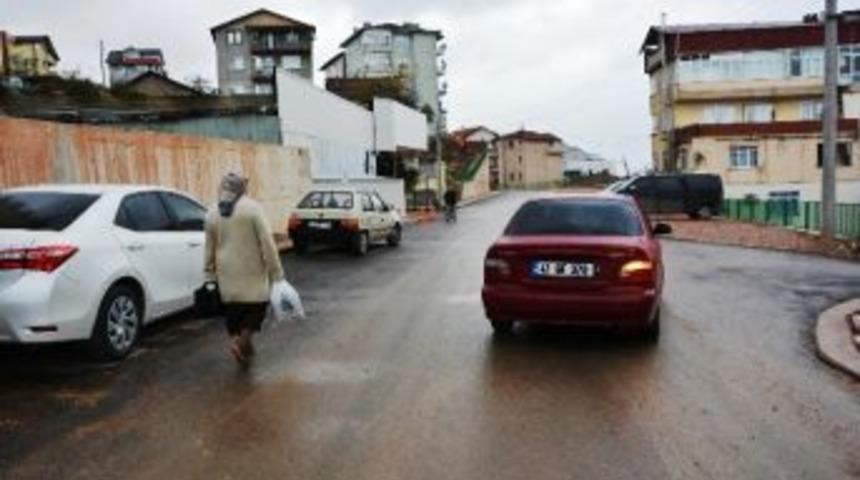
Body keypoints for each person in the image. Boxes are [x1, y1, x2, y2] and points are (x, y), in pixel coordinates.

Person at [204, 173, 284, 366]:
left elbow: (209, 248)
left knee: (234, 314)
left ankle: (239, 343)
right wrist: (276, 274)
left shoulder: (212, 212)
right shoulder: (253, 209)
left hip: (226, 277)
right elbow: (267, 243)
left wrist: (209, 276)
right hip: (253, 276)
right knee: (256, 312)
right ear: (242, 188)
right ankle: (242, 342)